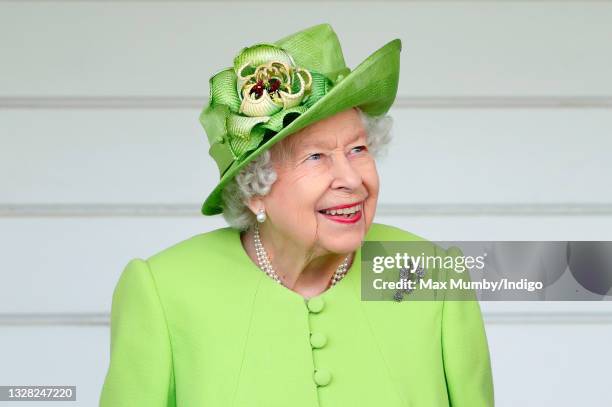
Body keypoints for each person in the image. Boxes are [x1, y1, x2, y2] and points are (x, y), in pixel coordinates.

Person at [99, 23, 494, 406]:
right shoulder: (165, 292)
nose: (351, 179)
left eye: (358, 149)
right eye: (316, 157)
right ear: (256, 189)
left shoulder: (433, 275)